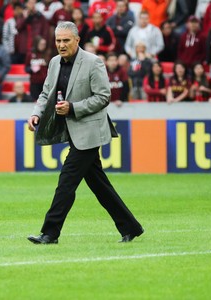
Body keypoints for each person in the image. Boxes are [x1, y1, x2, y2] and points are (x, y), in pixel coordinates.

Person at [27, 21, 144, 244]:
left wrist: (73, 107)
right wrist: (37, 114)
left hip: (90, 132)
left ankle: (50, 233)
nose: (61, 45)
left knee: (66, 182)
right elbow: (45, 93)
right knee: (99, 185)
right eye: (58, 40)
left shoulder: (93, 62)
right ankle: (130, 227)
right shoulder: (53, 63)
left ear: (77, 40)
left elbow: (103, 97)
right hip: (73, 132)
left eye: (66, 40)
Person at [25, 36, 50, 100]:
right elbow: (26, 69)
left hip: (45, 83)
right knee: (34, 101)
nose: (43, 46)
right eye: (41, 44)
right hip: (34, 82)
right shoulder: (30, 54)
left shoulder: (48, 54)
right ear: (37, 44)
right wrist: (32, 69)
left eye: (44, 44)